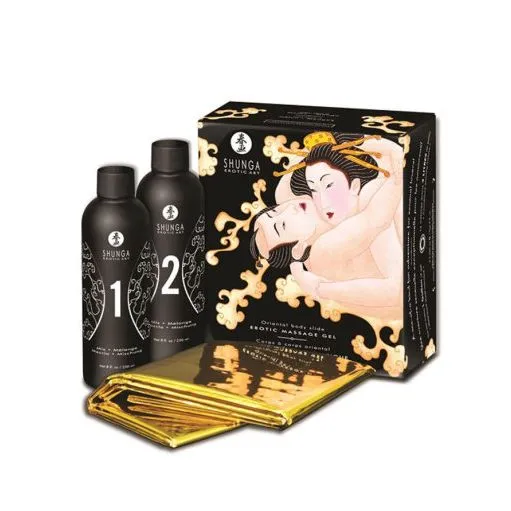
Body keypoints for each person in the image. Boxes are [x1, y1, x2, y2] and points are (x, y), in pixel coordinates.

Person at [250, 133, 403, 320]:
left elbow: (323, 143)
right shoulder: (322, 251)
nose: (289, 209)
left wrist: (389, 148)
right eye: (282, 225)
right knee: (371, 192)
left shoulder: (287, 194)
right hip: (399, 291)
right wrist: (398, 158)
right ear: (299, 247)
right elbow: (377, 218)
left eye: (274, 211)